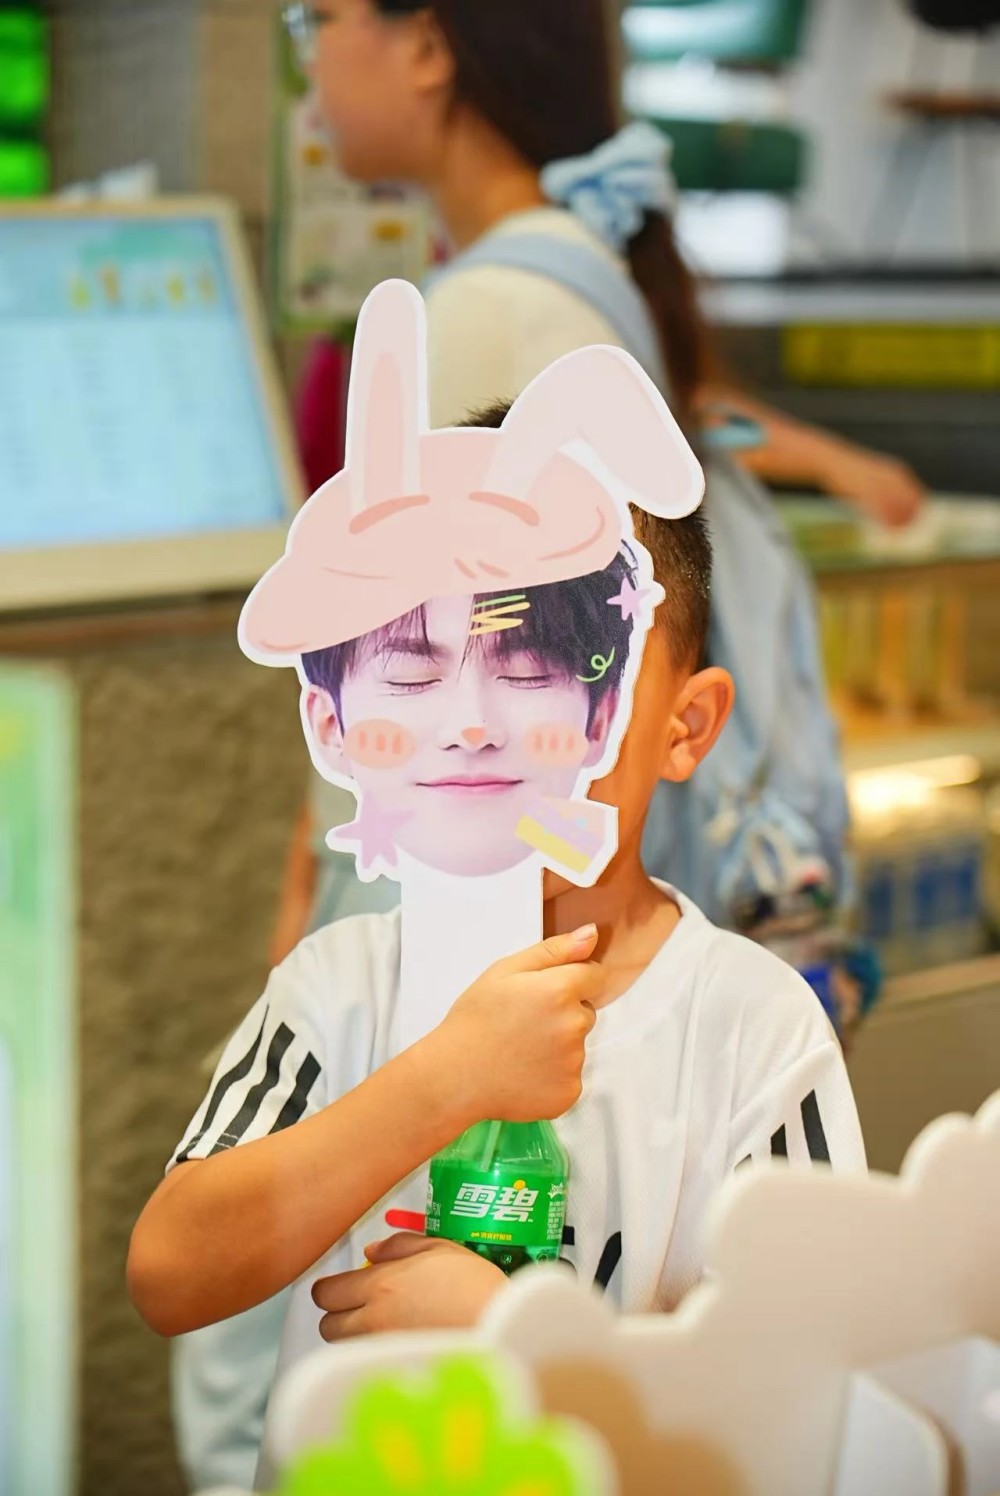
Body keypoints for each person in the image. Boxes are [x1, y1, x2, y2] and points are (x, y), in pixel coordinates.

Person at [134, 398, 866, 1491]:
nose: (476, 729)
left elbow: (809, 1391)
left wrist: (530, 1342)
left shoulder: (750, 1027)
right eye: (416, 670)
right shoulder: (341, 985)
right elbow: (173, 1271)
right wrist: (446, 1078)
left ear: (683, 725)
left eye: (539, 672)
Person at [268, 0, 927, 966]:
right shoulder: (576, 272)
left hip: (473, 942)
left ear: (427, 47)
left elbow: (415, 683)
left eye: (316, 21)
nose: (309, 63)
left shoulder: (486, 311)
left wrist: (314, 913)